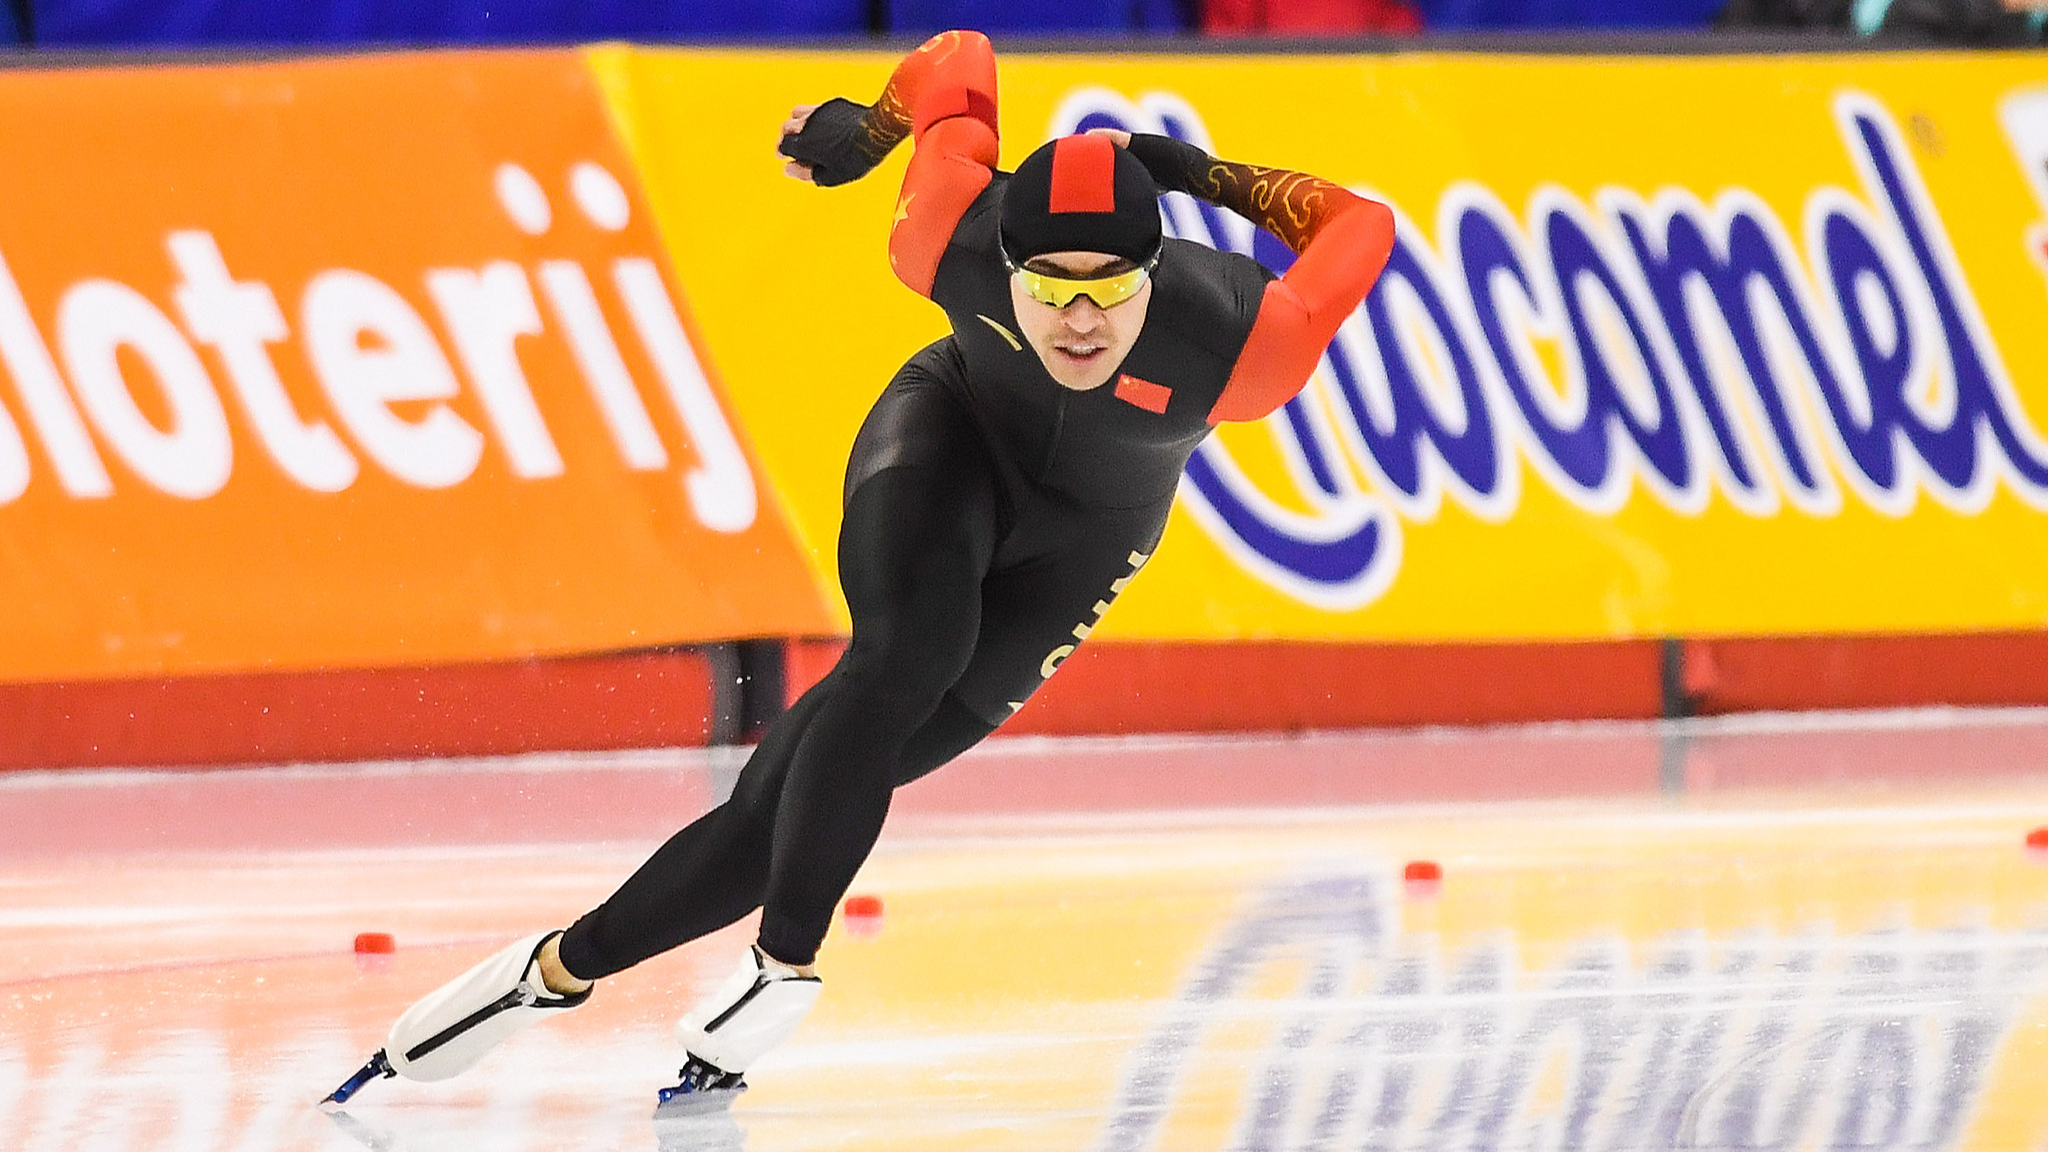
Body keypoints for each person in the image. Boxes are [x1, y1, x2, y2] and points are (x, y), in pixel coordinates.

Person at [322, 28, 1395, 1114]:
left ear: (1153, 275)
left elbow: (1363, 223)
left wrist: (1190, 171)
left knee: (782, 810)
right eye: (1047, 287)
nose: (1077, 321)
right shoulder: (943, 232)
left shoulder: (1249, 340)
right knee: (897, 661)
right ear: (1001, 262)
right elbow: (955, 57)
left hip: (1082, 546)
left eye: (1107, 290)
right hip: (948, 440)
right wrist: (871, 134)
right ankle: (781, 968)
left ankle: (550, 972)